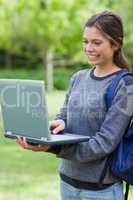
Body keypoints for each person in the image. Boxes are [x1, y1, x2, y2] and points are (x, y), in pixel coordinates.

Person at [17, 11, 133, 200]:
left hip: (100, 190)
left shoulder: (125, 85)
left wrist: (54, 148)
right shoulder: (79, 77)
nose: (89, 48)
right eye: (85, 42)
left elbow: (103, 144)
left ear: (116, 44)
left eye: (96, 42)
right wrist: (57, 125)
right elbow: (64, 114)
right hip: (67, 182)